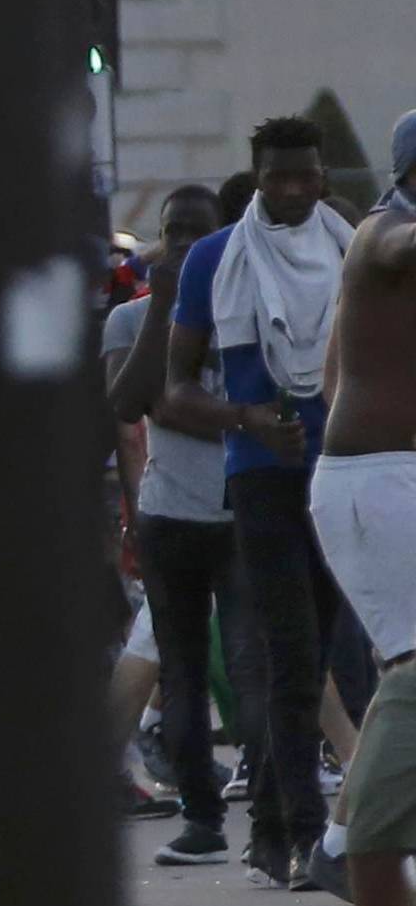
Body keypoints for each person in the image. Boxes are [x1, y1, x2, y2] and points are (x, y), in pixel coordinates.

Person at [166, 116, 352, 887]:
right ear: (257, 176)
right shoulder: (215, 260)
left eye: (306, 175)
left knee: (312, 656)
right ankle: (308, 837)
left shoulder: (353, 252)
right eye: (278, 178)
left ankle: (270, 828)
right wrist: (243, 419)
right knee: (289, 654)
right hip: (260, 476)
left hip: (339, 472)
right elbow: (172, 390)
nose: (294, 191)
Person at [105, 184, 265, 865]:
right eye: (172, 232)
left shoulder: (247, 308)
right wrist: (167, 306)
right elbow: (139, 402)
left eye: (199, 233)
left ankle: (276, 816)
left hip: (245, 510)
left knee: (256, 667)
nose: (183, 246)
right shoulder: (130, 319)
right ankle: (202, 818)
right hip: (171, 515)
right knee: (185, 677)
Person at [306, 110, 416, 906]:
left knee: (405, 672)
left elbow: (333, 379)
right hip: (382, 488)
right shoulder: (385, 234)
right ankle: (352, 834)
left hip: (381, 483)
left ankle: (356, 828)